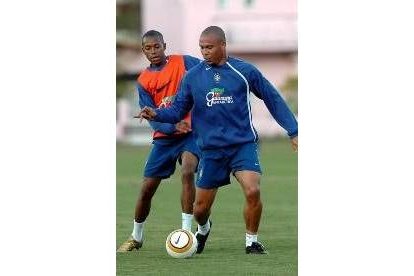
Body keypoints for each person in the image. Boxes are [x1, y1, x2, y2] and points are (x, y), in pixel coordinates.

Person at [137, 26, 298, 255]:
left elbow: (272, 98)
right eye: (201, 47)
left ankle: (251, 242)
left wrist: (294, 130)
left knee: (252, 190)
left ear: (223, 45)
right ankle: (203, 229)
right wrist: (156, 113)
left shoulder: (245, 71)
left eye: (209, 47)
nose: (204, 52)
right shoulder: (192, 77)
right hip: (211, 150)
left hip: (242, 145)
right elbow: (177, 110)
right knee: (200, 209)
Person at [117, 30, 201, 252]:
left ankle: (186, 232)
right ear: (143, 50)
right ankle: (136, 236)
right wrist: (173, 125)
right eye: (148, 48)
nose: (153, 51)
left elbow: (206, 74)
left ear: (165, 45)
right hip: (164, 138)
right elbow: (153, 119)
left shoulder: (184, 62)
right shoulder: (143, 81)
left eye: (157, 46)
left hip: (190, 134)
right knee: (146, 189)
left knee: (188, 170)